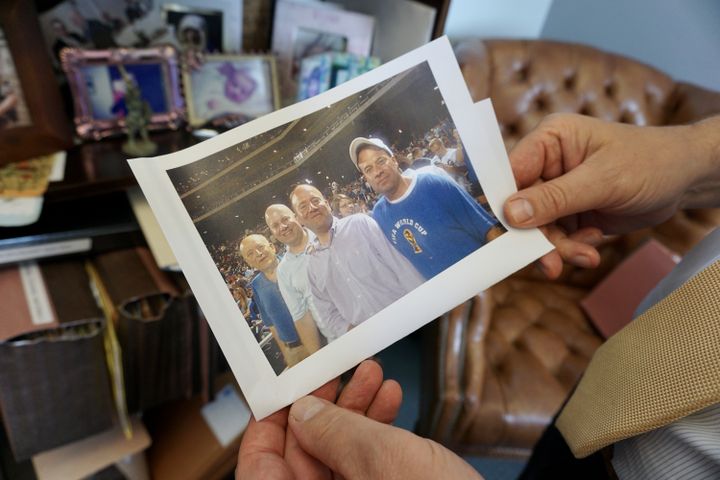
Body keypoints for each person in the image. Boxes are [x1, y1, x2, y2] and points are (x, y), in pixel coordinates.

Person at [238, 113, 720, 479]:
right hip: (607, 394)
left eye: (379, 159)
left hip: (670, 454)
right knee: (552, 456)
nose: (374, 170)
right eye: (366, 168)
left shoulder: (377, 214)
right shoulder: (368, 221)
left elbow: (414, 260)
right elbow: (329, 307)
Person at [349, 136, 503, 279]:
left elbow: (488, 229)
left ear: (394, 161)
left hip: (484, 277)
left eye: (381, 161)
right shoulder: (379, 215)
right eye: (368, 169)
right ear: (366, 179)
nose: (377, 172)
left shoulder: (432, 183)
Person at [289, 184, 424, 335]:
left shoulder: (360, 224)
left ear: (326, 203)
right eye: (303, 206)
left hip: (409, 320)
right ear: (299, 219)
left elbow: (402, 266)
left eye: (315, 200)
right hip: (372, 346)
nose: (312, 208)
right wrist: (350, 331)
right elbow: (328, 314)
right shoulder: (313, 266)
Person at [264, 204, 332, 346]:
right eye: (275, 225)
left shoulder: (328, 232)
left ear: (296, 217)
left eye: (285, 219)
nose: (283, 227)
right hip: (338, 339)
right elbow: (301, 317)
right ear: (272, 233)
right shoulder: (283, 271)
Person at [239, 234, 308, 368]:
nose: (258, 254)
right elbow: (271, 323)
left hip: (321, 336)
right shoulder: (256, 285)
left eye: (260, 247)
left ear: (272, 247)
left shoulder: (296, 264)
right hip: (295, 351)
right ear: (249, 263)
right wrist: (286, 353)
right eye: (250, 253)